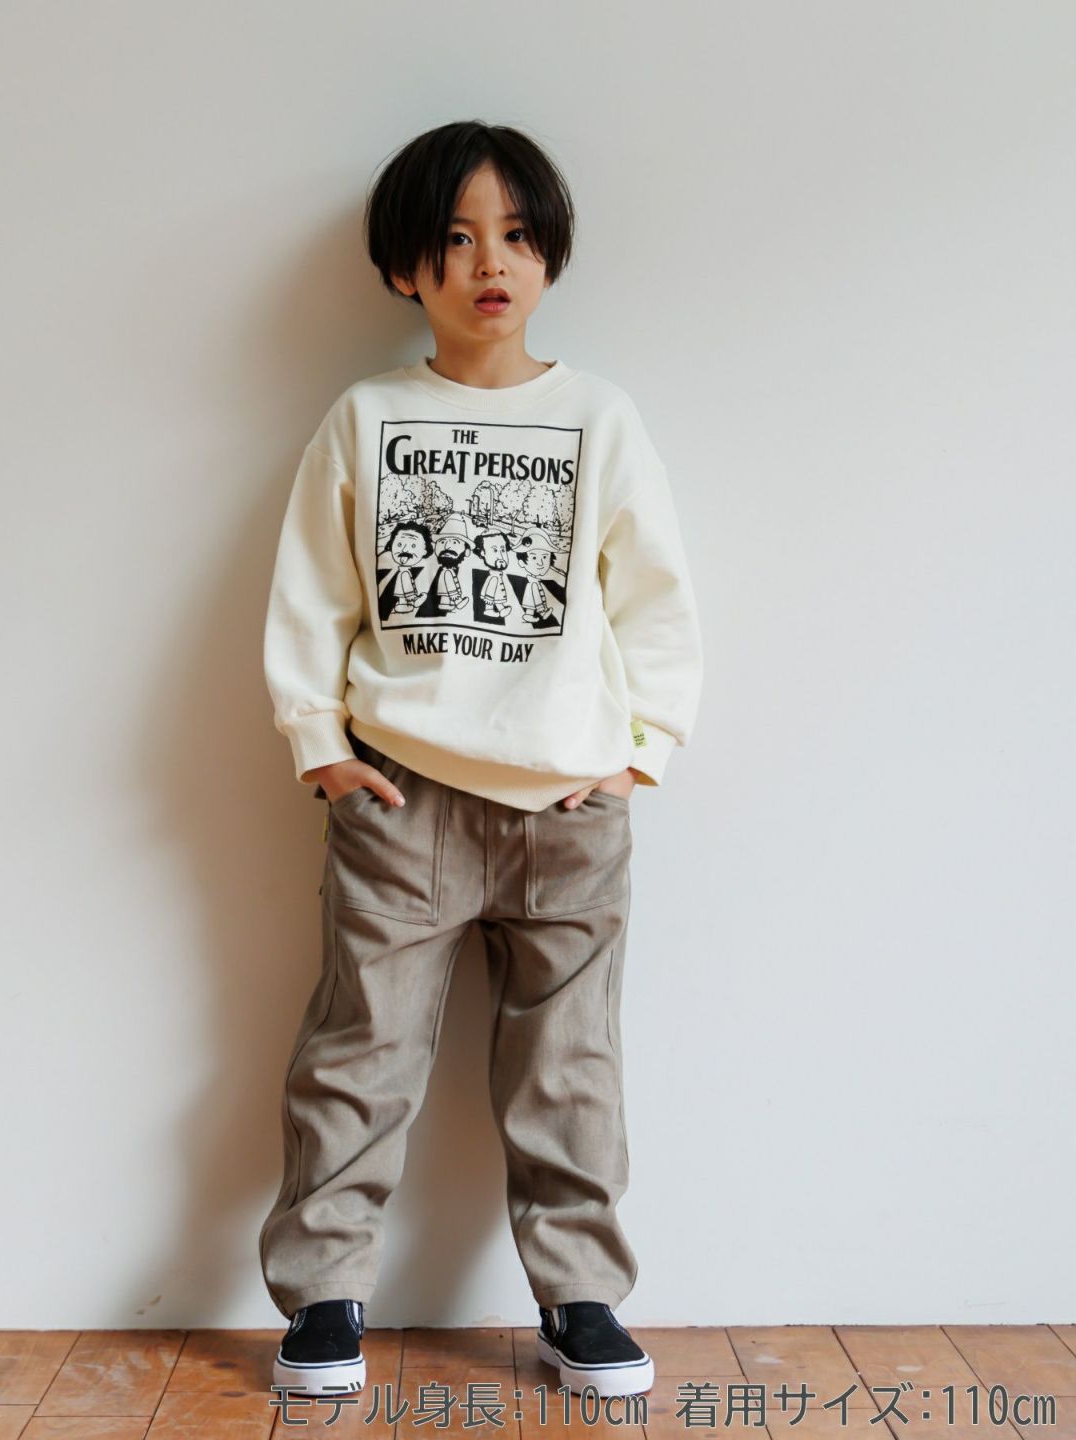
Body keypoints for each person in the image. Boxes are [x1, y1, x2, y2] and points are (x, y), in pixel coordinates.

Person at [259, 119, 704, 1401]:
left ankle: (581, 1297)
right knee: (360, 1050)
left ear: (550, 254)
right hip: (400, 797)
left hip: (568, 803)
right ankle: (326, 1297)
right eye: (453, 239)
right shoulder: (367, 417)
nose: (487, 263)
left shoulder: (598, 418)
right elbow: (312, 594)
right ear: (405, 269)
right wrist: (319, 745)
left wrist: (641, 753)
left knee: (570, 1066)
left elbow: (656, 599)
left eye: (514, 235)